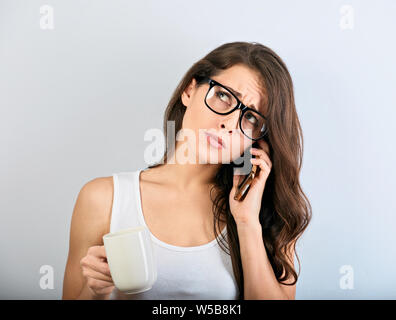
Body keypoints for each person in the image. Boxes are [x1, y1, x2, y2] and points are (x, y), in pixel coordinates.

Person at [62, 41, 312, 300]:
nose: (228, 123)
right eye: (224, 96)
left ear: (256, 142)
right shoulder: (103, 198)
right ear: (189, 90)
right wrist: (95, 291)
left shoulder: (270, 215)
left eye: (250, 117)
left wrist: (247, 222)